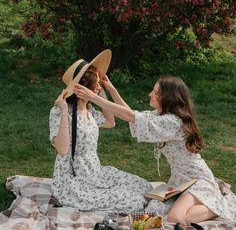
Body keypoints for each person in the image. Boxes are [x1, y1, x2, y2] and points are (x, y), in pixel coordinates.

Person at [75, 74, 236, 229]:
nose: (150, 94)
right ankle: (207, 202)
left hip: (198, 180)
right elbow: (131, 115)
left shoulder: (172, 122)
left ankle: (220, 205)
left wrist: (94, 97)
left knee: (176, 218)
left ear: (168, 98)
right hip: (181, 182)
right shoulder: (161, 115)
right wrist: (110, 89)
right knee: (154, 209)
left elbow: (131, 116)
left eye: (156, 92)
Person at [49, 49, 152, 212]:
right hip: (75, 181)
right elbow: (62, 149)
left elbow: (110, 122)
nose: (97, 87)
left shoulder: (89, 110)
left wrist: (103, 88)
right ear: (82, 89)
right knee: (134, 201)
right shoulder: (61, 112)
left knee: (144, 187)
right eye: (95, 84)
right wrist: (62, 111)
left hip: (95, 172)